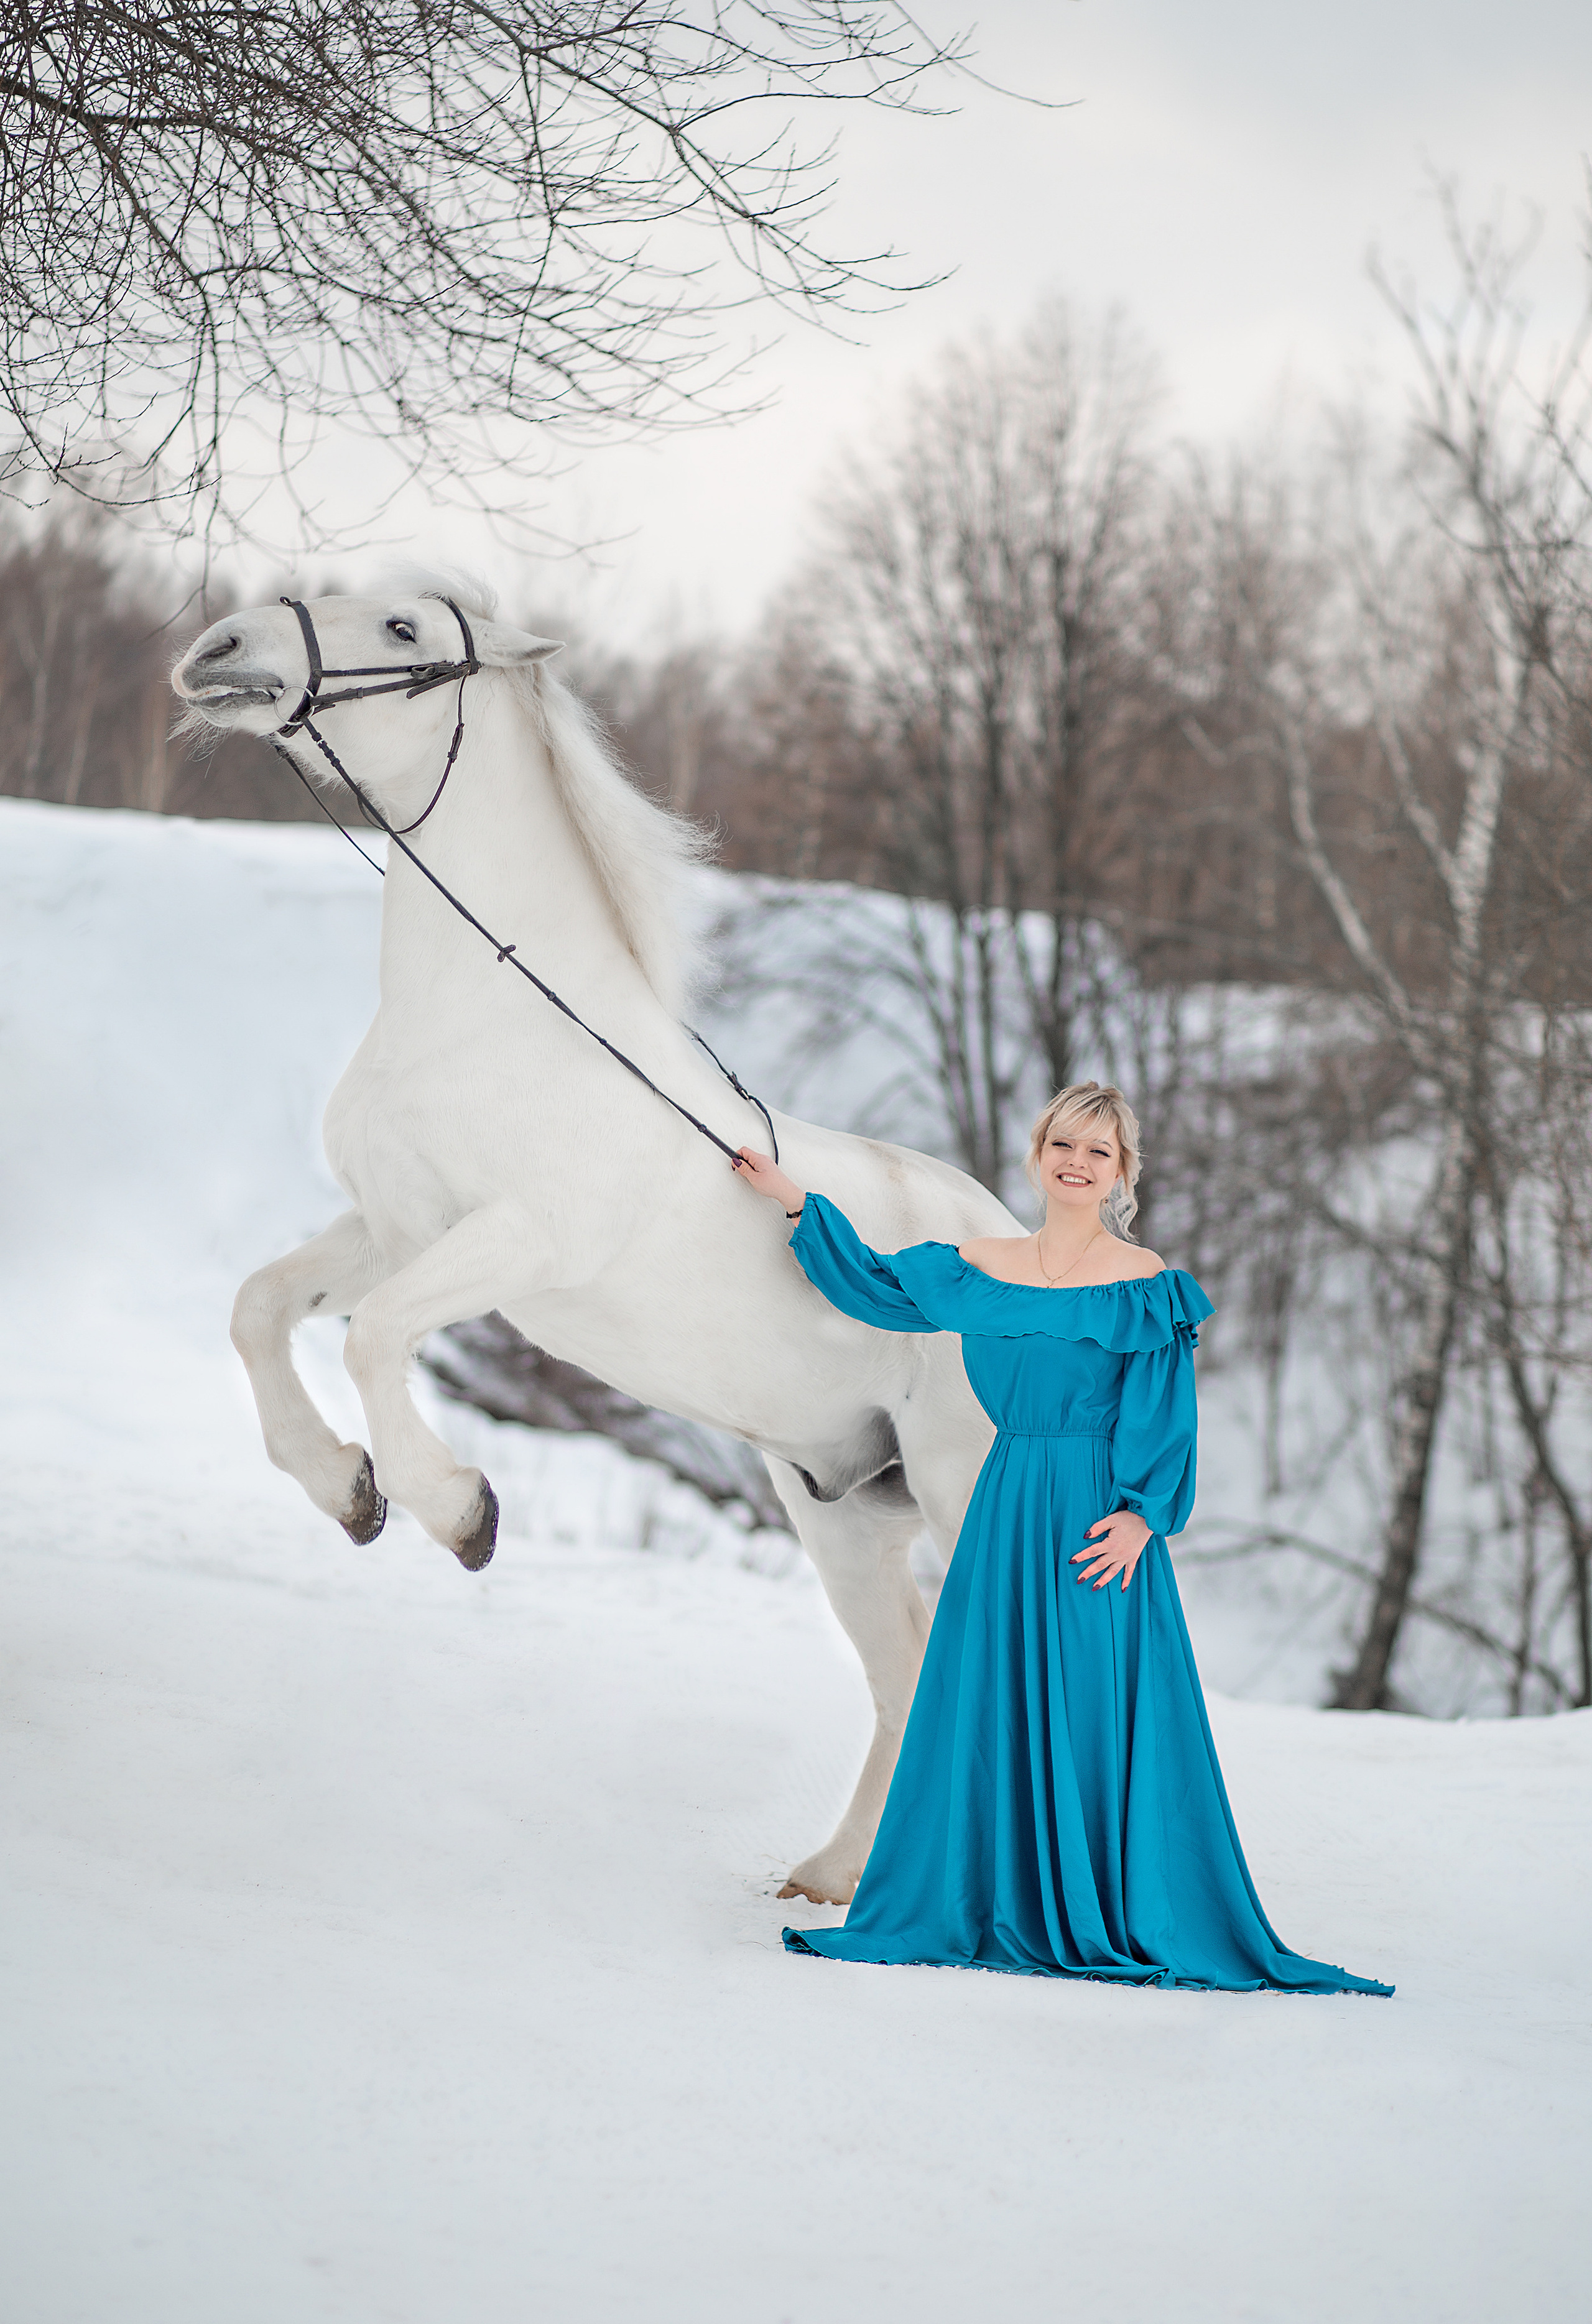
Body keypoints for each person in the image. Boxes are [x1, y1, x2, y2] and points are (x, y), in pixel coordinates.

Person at [732, 1082, 1391, 1996]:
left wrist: (1142, 1515)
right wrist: (795, 1200)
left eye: (1101, 1152)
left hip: (1095, 1517)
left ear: (1121, 1173)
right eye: (1065, 1145)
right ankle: (985, 1899)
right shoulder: (982, 1262)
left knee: (1091, 1698)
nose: (1079, 1163)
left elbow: (1165, 1410)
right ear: (1039, 1152)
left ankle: (1101, 1904)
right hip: (1007, 1504)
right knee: (988, 1701)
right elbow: (878, 1286)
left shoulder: (1141, 1279)